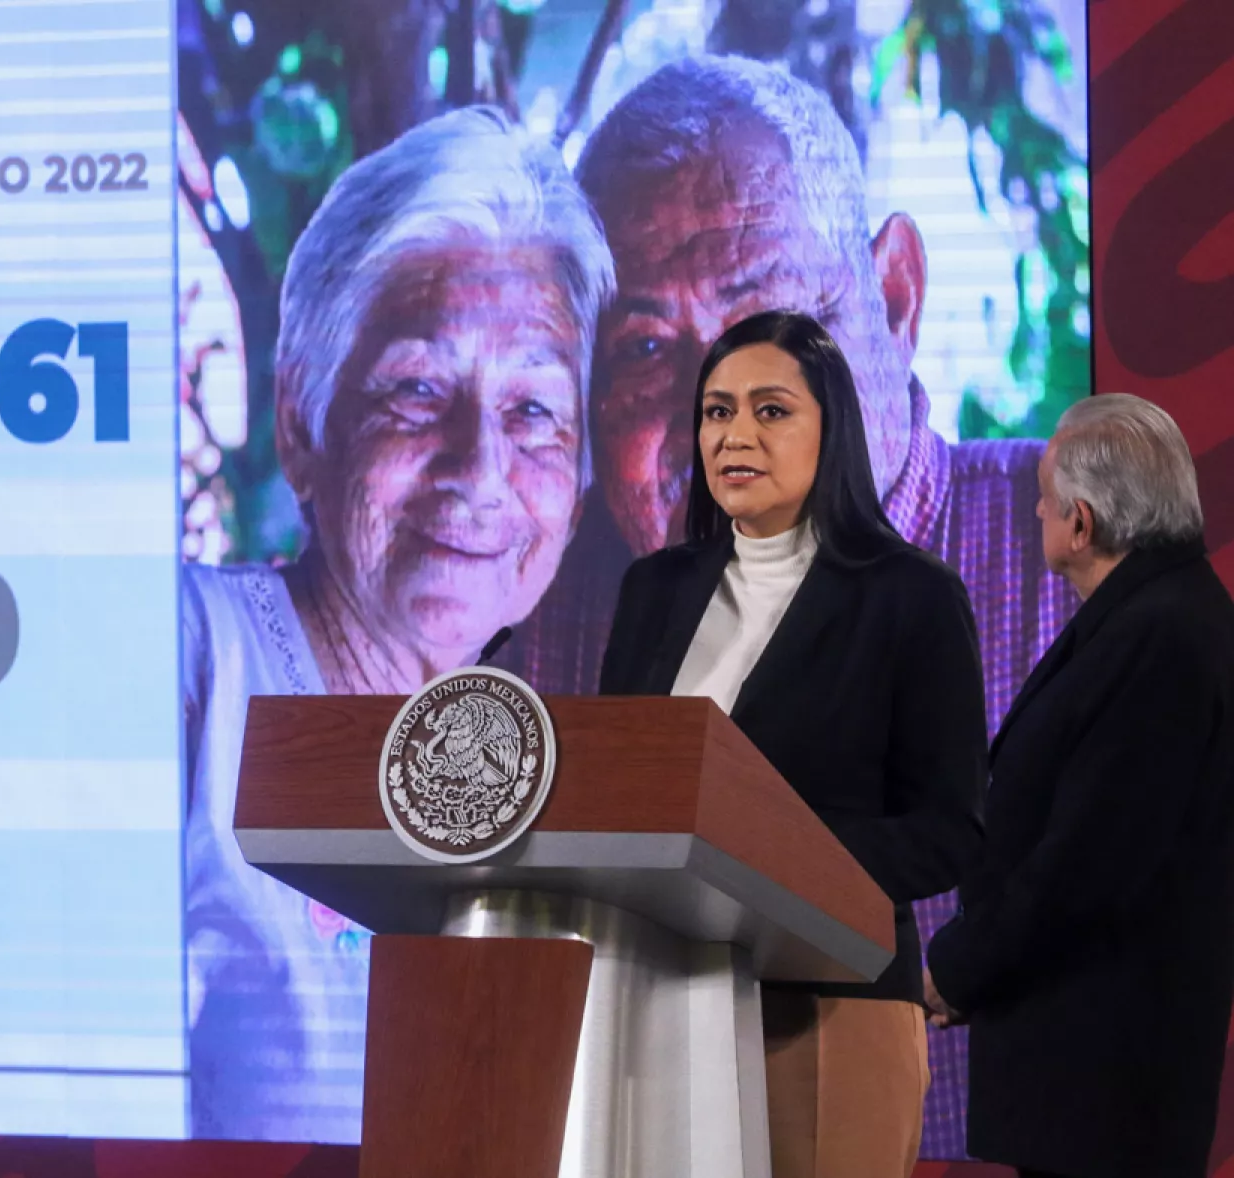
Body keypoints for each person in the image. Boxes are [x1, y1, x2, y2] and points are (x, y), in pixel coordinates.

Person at [496, 56, 1077, 1151]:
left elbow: (956, 830)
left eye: (771, 334)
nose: (716, 415)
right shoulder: (569, 609)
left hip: (861, 1057)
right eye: (646, 349)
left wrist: (765, 863)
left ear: (894, 297)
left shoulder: (1062, 575)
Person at [181, 106, 615, 1142]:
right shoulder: (192, 664)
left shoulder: (545, 771)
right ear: (302, 427)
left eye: (534, 411)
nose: (480, 471)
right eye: (418, 389)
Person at [599, 310, 987, 1178]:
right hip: (658, 998)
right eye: (716, 411)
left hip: (828, 1004)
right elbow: (616, 788)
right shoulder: (654, 589)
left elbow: (949, 831)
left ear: (831, 429)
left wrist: (765, 855)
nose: (735, 434)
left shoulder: (911, 598)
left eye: (770, 410)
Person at [924, 395, 1234, 1178]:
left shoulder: (1162, 636)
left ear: (1083, 523)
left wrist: (959, 967)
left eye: (1045, 495)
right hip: (1092, 1076)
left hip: (1108, 1088)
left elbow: (1087, 865)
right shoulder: (1153, 617)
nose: (1033, 509)